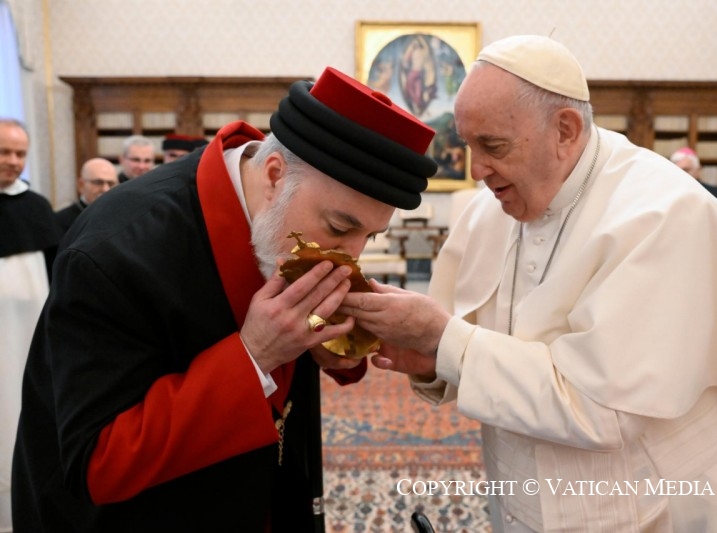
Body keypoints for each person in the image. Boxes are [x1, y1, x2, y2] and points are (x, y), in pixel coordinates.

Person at [339, 35, 717, 531]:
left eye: (492, 146)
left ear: (565, 130)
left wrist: (445, 339)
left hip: (667, 500)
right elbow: (470, 340)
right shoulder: (491, 207)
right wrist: (430, 355)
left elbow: (604, 409)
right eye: (468, 147)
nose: (478, 170)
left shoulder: (664, 215)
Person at [11, 67, 437, 532]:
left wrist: (339, 342)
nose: (349, 257)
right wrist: (254, 355)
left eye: (369, 237)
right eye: (339, 228)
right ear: (274, 175)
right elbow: (98, 462)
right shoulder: (113, 250)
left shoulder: (279, 218)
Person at [0, 118, 62, 532]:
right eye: (5, 152)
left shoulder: (37, 207)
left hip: (29, 339)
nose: (13, 162)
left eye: (20, 154)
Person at [55, 157, 119, 233]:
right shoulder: (60, 221)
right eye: (98, 182)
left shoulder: (122, 216)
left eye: (111, 184)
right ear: (81, 185)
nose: (106, 189)